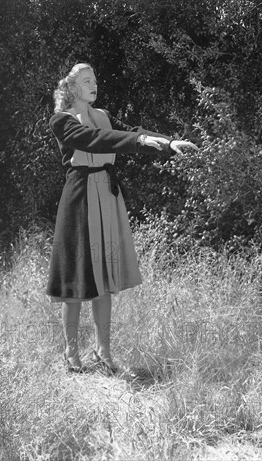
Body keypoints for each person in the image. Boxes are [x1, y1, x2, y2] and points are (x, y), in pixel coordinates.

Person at [47, 63, 197, 374]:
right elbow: (95, 140)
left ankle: (103, 351)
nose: (94, 84)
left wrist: (167, 143)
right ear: (72, 88)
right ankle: (71, 351)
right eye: (87, 80)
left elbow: (128, 133)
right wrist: (138, 142)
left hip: (107, 195)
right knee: (77, 277)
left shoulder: (102, 115)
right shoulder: (61, 121)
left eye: (96, 79)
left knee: (105, 278)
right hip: (79, 198)